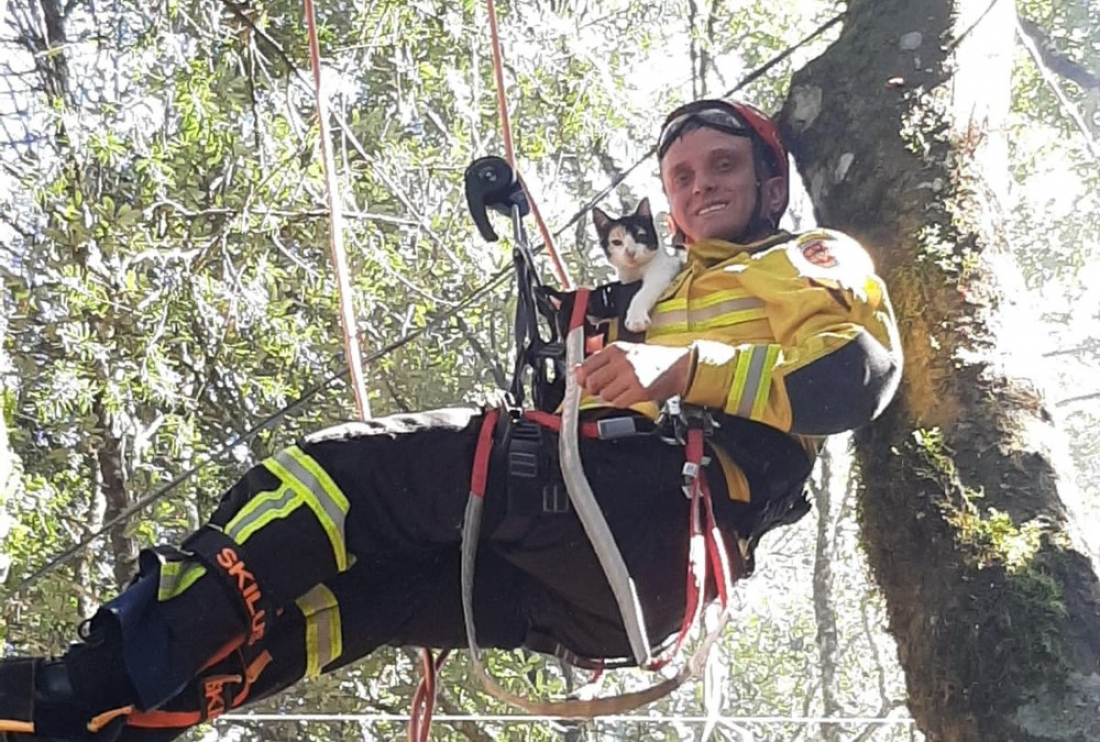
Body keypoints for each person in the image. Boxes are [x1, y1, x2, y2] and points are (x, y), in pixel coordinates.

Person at [0, 99, 902, 742]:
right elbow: (575, 337)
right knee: (367, 596)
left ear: (770, 182)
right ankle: (125, 720)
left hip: (657, 517)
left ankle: (90, 679)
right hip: (611, 583)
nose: (700, 186)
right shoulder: (654, 297)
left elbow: (858, 372)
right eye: (682, 175)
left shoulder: (801, 258)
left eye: (723, 166)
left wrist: (681, 366)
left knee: (339, 475)